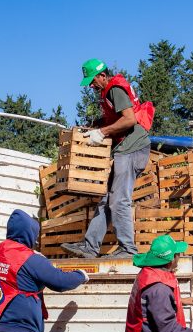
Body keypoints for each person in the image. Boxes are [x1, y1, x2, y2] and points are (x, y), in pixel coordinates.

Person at [61, 58, 155, 259]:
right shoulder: (109, 91)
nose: (92, 86)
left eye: (93, 81)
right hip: (126, 147)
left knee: (119, 199)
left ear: (102, 75)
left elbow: (129, 119)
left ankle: (128, 249)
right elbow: (117, 117)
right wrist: (95, 125)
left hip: (132, 147)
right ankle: (90, 246)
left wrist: (102, 132)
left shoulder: (115, 89)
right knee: (107, 199)